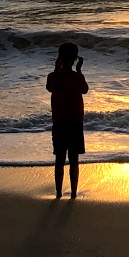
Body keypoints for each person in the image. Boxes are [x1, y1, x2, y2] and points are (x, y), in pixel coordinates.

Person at [46, 42, 89, 199]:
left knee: (59, 159)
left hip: (59, 124)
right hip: (75, 124)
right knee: (74, 159)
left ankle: (58, 192)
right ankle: (74, 192)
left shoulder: (53, 77)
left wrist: (56, 69)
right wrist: (79, 70)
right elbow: (85, 89)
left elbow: (49, 87)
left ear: (59, 58)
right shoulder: (77, 77)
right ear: (75, 59)